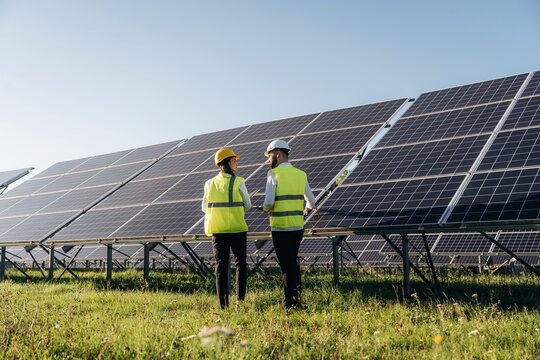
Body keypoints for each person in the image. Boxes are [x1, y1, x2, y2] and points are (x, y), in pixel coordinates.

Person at [262, 139, 317, 310]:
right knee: (292, 263)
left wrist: (265, 209)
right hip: (297, 227)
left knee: (286, 266)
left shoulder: (273, 174)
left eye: (270, 156)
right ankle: (298, 299)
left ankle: (290, 304)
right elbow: (312, 201)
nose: (269, 160)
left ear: (277, 154)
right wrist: (305, 211)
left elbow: (269, 202)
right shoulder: (301, 174)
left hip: (280, 227)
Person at [202, 148, 251, 309]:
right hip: (237, 229)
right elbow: (248, 205)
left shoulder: (209, 184)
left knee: (221, 268)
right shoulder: (239, 181)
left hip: (218, 231)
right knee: (240, 265)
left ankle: (223, 306)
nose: (237, 163)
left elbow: (204, 207)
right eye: (235, 160)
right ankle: (240, 302)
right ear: (228, 162)